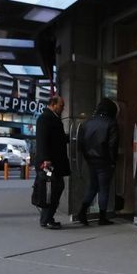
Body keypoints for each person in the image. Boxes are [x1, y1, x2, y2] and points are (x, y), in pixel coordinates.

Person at [76, 98, 119, 226]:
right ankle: (102, 217)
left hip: (91, 160)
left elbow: (81, 143)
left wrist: (87, 157)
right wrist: (112, 161)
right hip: (105, 161)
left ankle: (82, 212)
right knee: (104, 189)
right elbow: (113, 145)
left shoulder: (88, 123)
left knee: (93, 187)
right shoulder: (111, 123)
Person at [35, 96, 70, 229]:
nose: (63, 108)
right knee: (51, 190)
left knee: (54, 189)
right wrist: (46, 160)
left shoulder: (52, 118)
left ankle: (47, 218)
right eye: (61, 105)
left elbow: (57, 139)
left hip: (54, 162)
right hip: (49, 164)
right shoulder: (45, 118)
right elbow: (42, 141)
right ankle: (47, 218)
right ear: (53, 104)